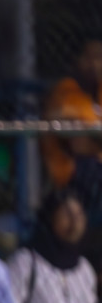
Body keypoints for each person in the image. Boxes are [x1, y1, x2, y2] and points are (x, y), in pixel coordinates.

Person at [41, 37, 102, 209]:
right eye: (89, 58)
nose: (95, 64)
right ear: (77, 60)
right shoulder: (65, 91)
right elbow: (78, 145)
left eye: (100, 58)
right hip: (72, 175)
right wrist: (94, 138)